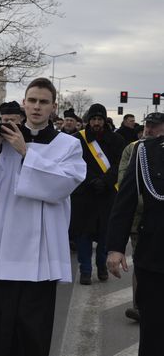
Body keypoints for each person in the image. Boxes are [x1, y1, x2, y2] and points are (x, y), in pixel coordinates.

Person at [0, 77, 86, 356]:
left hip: (39, 250)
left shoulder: (68, 145)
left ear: (53, 107)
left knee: (30, 328)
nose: (37, 107)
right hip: (2, 244)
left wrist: (25, 151)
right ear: (24, 104)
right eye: (32, 101)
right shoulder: (4, 139)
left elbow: (62, 186)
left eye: (43, 102)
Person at [106, 112, 164, 356]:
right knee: (153, 331)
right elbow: (125, 200)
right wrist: (116, 247)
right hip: (155, 254)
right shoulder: (144, 152)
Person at [69, 104, 125, 285]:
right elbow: (74, 164)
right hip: (84, 194)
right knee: (83, 234)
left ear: (104, 120)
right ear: (88, 121)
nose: (96, 123)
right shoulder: (78, 139)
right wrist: (92, 180)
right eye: (93, 119)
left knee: (104, 235)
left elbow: (120, 164)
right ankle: (85, 270)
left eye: (99, 119)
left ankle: (102, 267)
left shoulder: (117, 140)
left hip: (107, 194)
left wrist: (106, 181)